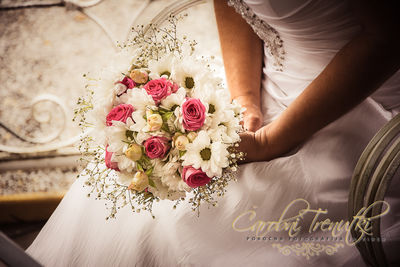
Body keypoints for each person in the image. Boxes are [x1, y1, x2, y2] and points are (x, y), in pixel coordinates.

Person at [27, 0, 400, 266]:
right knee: (133, 197)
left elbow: (388, 36)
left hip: (362, 106)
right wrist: (245, 99)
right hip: (263, 81)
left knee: (194, 231)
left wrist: (270, 142)